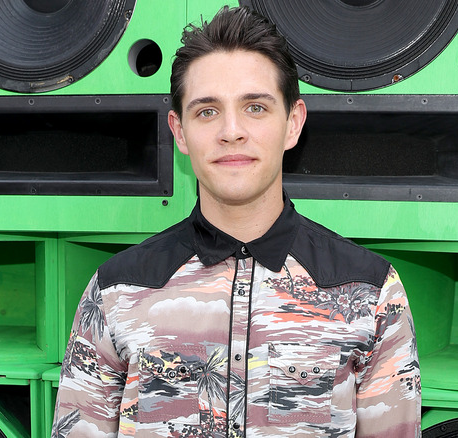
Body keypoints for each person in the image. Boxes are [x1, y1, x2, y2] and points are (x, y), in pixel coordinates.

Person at [52, 6, 420, 437]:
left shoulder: (370, 292)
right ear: (180, 131)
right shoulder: (116, 291)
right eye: (207, 111)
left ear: (293, 123)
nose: (231, 131)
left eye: (256, 108)